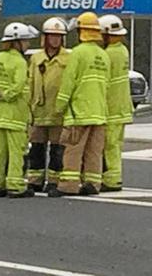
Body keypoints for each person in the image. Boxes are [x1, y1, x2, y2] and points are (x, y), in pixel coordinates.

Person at [49, 12, 110, 197]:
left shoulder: (78, 53)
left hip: (79, 113)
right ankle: (92, 184)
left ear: (81, 31)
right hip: (99, 113)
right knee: (94, 152)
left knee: (73, 150)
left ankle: (68, 185)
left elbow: (69, 82)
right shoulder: (103, 55)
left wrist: (59, 107)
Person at [0, 22, 39, 198]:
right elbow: (19, 86)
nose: (28, 45)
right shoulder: (20, 62)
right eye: (26, 41)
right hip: (15, 116)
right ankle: (16, 186)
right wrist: (7, 95)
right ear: (17, 42)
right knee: (17, 152)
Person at [27, 17, 71, 192]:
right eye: (52, 36)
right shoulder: (36, 58)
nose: (55, 40)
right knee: (36, 149)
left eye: (59, 36)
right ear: (45, 37)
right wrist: (28, 108)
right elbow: (30, 82)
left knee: (57, 150)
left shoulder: (68, 58)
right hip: (38, 111)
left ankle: (54, 182)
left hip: (57, 112)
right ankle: (35, 181)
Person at [99, 15, 134, 192]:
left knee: (109, 145)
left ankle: (111, 179)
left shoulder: (107, 54)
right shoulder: (123, 50)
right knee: (116, 145)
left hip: (111, 108)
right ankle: (114, 176)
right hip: (123, 107)